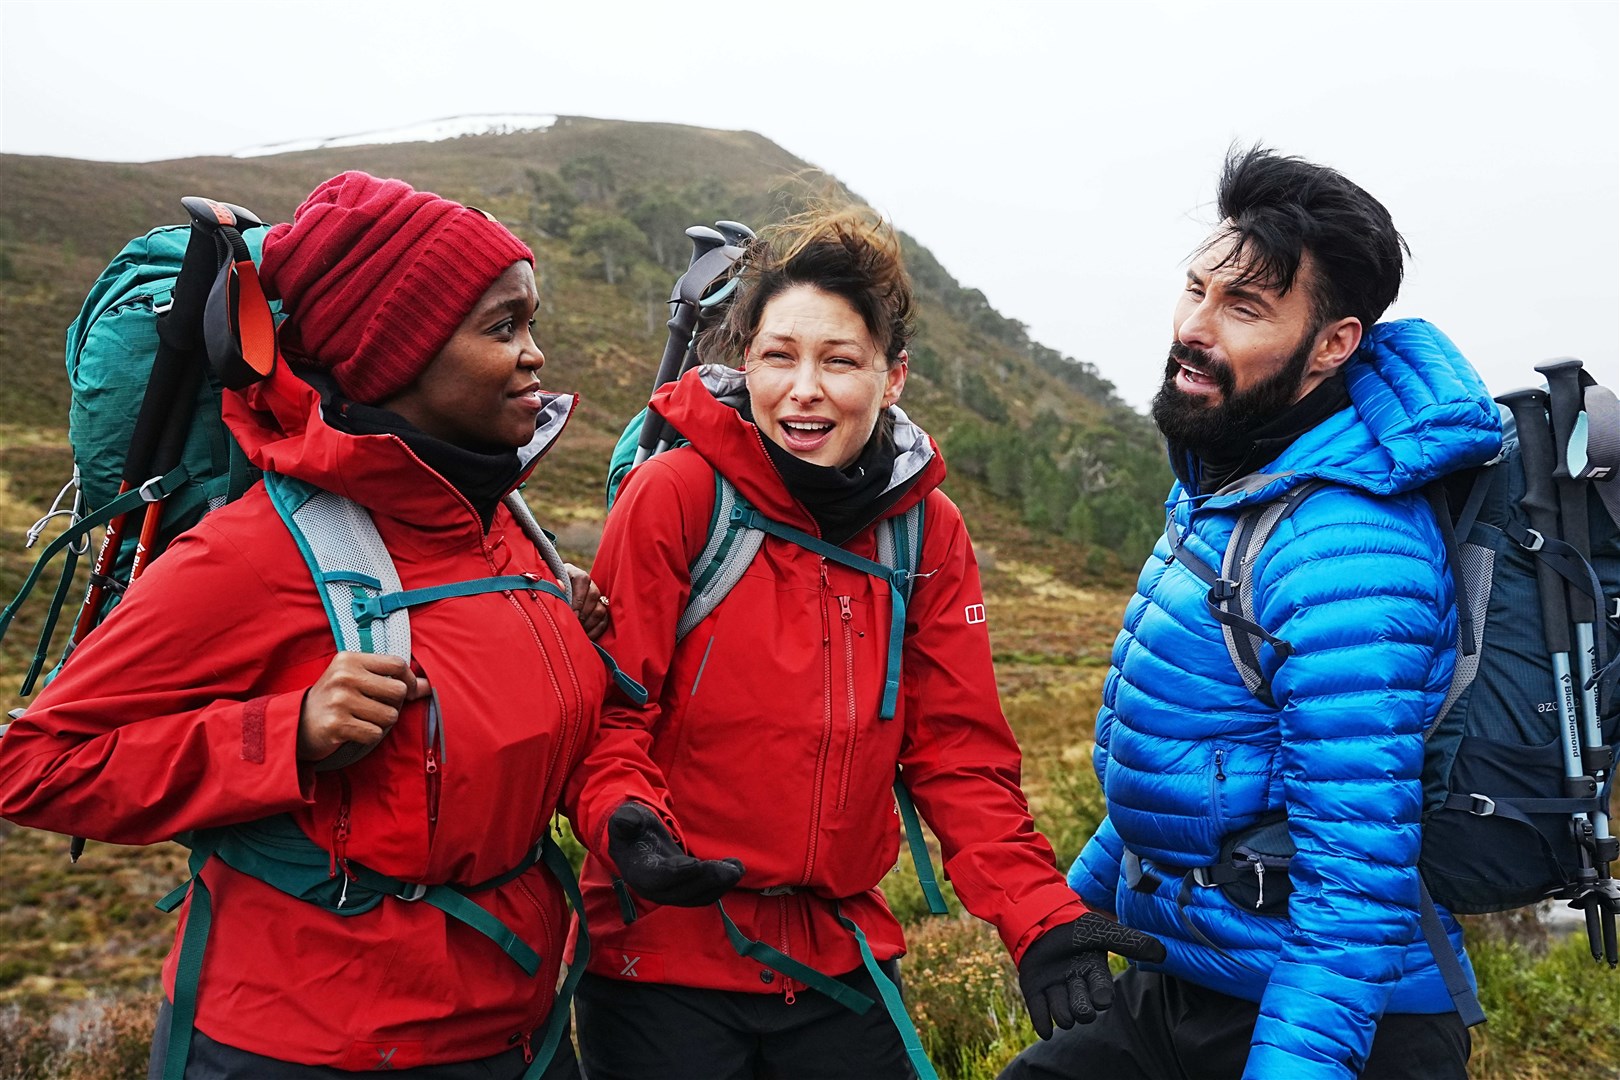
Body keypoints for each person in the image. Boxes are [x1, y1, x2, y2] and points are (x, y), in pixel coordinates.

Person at [0, 171, 615, 1078]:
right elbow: (36, 765)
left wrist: (562, 631)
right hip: (309, 1045)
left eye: (530, 323)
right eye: (502, 327)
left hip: (517, 1031)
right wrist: (283, 734)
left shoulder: (502, 526)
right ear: (392, 354)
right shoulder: (255, 551)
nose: (535, 356)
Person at [563, 205, 1166, 1080]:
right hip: (663, 961)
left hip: (835, 961)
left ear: (892, 378)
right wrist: (625, 822)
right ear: (746, 363)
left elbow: (956, 754)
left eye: (839, 361)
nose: (803, 388)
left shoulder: (925, 533)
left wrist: (1038, 915)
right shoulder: (677, 496)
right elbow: (614, 709)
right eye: (779, 356)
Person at [999, 146, 1504, 1080]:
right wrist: (1067, 918)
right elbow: (1199, 766)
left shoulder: (1346, 550)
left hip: (1329, 1017)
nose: (1194, 328)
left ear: (1334, 344)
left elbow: (1356, 890)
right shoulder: (1232, 485)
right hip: (1197, 974)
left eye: (1243, 309)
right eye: (1196, 290)